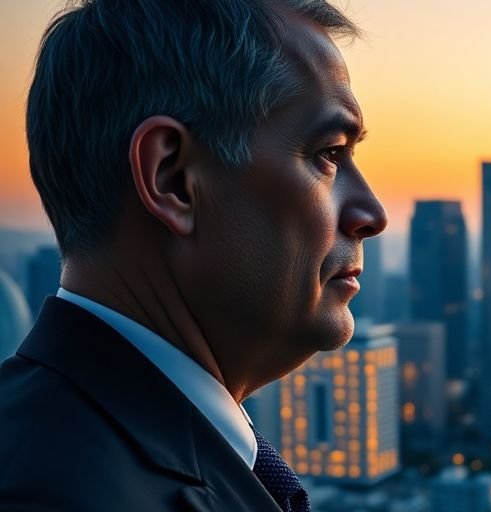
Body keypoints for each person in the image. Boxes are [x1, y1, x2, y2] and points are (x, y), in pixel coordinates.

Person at [0, 0, 387, 510]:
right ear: (174, 180)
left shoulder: (71, 446)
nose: (372, 213)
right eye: (329, 154)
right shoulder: (57, 494)